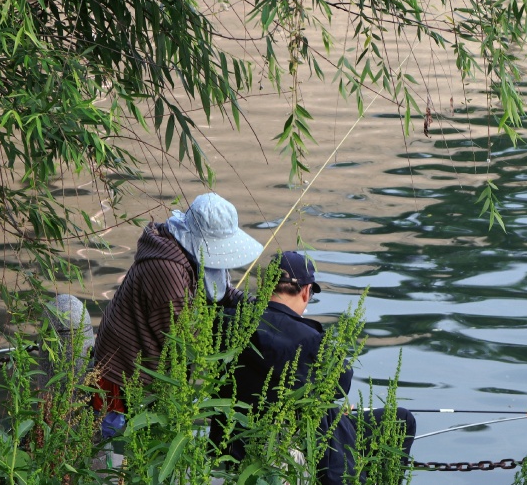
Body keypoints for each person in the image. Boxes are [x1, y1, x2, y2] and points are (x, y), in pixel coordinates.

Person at [219, 251, 416, 485]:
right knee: (401, 420)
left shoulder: (226, 321)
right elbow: (338, 387)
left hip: (234, 443)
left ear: (264, 285)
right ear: (306, 291)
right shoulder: (311, 340)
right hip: (295, 444)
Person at [90, 192, 264, 418]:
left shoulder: (184, 248)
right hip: (123, 374)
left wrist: (258, 306)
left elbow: (220, 291)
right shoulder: (166, 269)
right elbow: (185, 339)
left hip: (151, 369)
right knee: (115, 443)